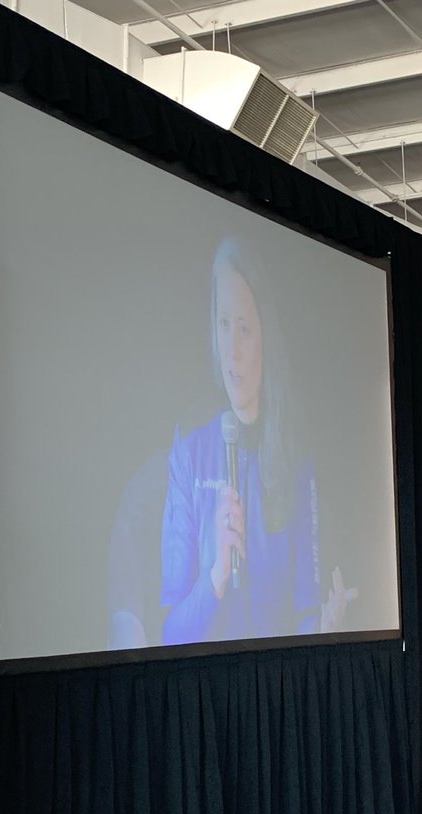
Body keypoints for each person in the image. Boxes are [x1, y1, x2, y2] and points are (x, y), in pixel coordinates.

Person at [159, 237, 350, 644]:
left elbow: (305, 610)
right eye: (223, 324)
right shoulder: (190, 447)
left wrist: (323, 631)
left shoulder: (296, 451)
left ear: (266, 335)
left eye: (244, 329)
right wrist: (213, 579)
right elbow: (171, 634)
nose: (232, 351)